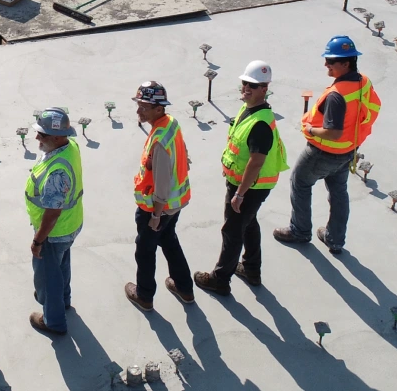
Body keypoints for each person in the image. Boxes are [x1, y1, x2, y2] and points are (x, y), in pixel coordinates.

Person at [275, 35, 382, 254]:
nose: (326, 64)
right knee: (339, 192)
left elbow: (333, 132)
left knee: (300, 183)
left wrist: (310, 130)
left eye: (331, 61)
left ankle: (299, 231)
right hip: (348, 149)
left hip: (324, 152)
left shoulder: (336, 96)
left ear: (346, 63)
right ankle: (335, 239)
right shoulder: (363, 81)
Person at [194, 60, 289, 296]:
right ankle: (251, 269)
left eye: (253, 86)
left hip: (249, 187)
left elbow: (256, 162)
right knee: (248, 223)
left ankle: (220, 280)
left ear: (264, 89)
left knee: (232, 231)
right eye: (245, 83)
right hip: (246, 184)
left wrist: (239, 193)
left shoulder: (260, 124)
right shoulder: (249, 109)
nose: (246, 88)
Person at [125, 81, 194, 310]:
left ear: (158, 108)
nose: (139, 111)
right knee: (169, 240)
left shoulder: (160, 140)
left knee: (145, 251)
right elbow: (182, 149)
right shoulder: (170, 124)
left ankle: (144, 296)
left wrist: (155, 215)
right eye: (139, 105)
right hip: (175, 204)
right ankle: (185, 288)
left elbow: (162, 182)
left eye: (144, 107)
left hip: (156, 209)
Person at [26, 107, 85, 336]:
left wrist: (38, 241)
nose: (37, 138)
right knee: (61, 265)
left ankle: (53, 321)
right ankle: (63, 300)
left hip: (55, 232)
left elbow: (52, 213)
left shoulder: (57, 172)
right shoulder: (70, 146)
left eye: (42, 134)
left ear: (59, 137)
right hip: (70, 225)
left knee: (47, 276)